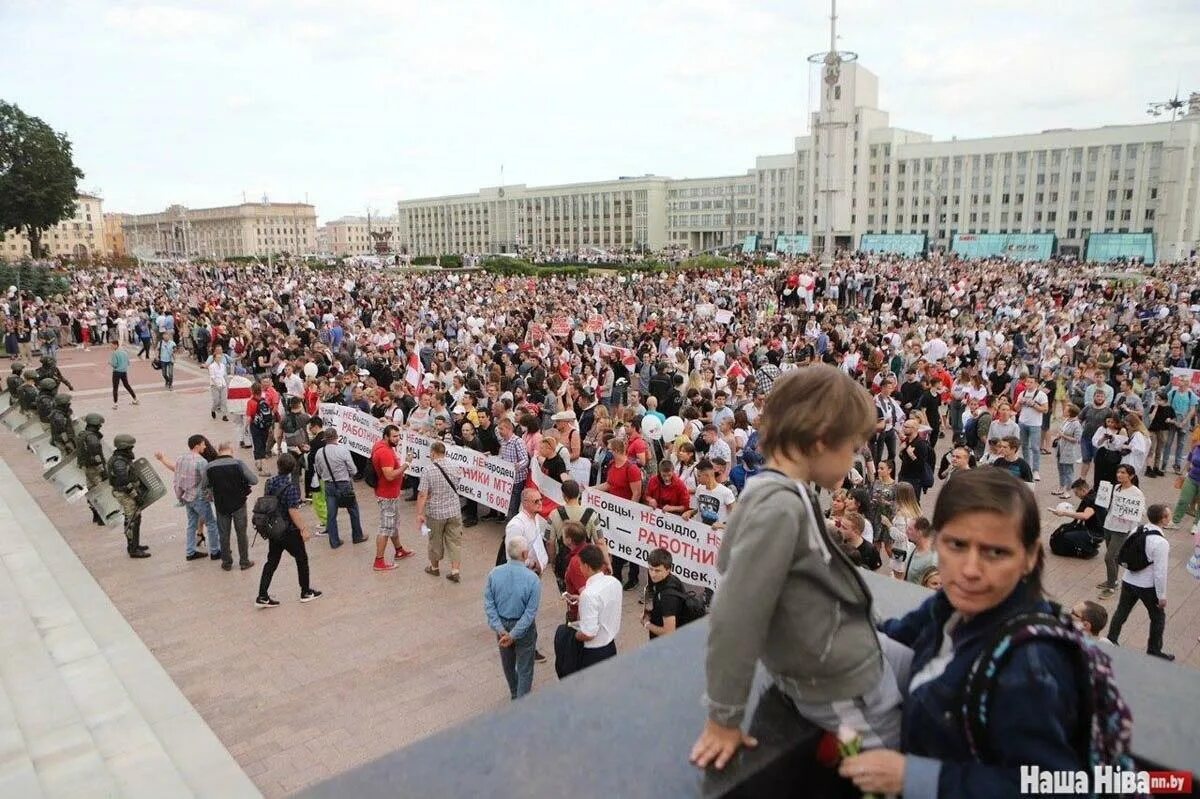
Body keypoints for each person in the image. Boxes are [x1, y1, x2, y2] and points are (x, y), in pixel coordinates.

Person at [841, 468, 1102, 797]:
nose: (970, 570)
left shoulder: (1030, 666)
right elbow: (895, 633)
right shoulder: (950, 606)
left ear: (1030, 557)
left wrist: (916, 777)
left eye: (996, 552)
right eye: (956, 544)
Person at [693, 365, 902, 772]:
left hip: (842, 659)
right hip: (839, 687)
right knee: (880, 769)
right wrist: (724, 717)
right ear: (823, 440)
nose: (856, 458)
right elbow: (736, 617)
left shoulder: (778, 490)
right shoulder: (779, 505)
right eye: (853, 447)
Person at [1106, 503, 1173, 660]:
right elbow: (1160, 573)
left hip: (1129, 580)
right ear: (1163, 519)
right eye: (1168, 515)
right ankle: (1154, 650)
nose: (1169, 517)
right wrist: (1161, 596)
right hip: (1148, 586)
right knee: (1158, 617)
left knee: (1121, 611)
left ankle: (1111, 639)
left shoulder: (1138, 529)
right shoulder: (1161, 543)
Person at [256, 453, 321, 607]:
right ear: (293, 468)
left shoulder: (269, 482)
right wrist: (304, 529)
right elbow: (293, 511)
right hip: (289, 530)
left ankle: (262, 595)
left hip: (274, 529)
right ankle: (305, 591)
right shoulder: (291, 487)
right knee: (301, 559)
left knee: (271, 562)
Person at [483, 537, 541, 700]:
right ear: (524, 554)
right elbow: (530, 612)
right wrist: (514, 634)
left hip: (502, 624)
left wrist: (501, 629)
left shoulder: (494, 574)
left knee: (508, 664)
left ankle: (515, 693)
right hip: (523, 627)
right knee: (525, 667)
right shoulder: (532, 579)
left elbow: (489, 604)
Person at [155, 435, 220, 562]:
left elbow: (177, 474)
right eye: (203, 444)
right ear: (197, 446)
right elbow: (207, 480)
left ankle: (190, 552)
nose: (205, 446)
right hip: (199, 497)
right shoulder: (201, 461)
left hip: (186, 497)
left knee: (191, 524)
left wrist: (162, 459)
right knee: (211, 523)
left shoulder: (181, 458)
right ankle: (215, 551)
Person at [594, 437, 643, 590]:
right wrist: (591, 489)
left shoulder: (631, 469)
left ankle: (633, 577)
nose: (608, 452)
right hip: (614, 513)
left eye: (610, 449)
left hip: (626, 514)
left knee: (628, 545)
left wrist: (628, 512)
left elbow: (636, 493)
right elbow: (609, 484)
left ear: (616, 450)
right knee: (616, 544)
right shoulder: (613, 465)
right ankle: (616, 576)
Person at [205, 441, 257, 571]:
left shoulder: (209, 466)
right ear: (230, 450)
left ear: (219, 450)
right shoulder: (238, 464)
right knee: (241, 533)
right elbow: (254, 480)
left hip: (221, 504)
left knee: (223, 534)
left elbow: (204, 485)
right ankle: (244, 562)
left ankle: (227, 562)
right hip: (239, 503)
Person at [416, 440, 464, 582]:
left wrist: (419, 513)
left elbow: (423, 494)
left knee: (435, 540)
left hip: (436, 512)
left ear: (433, 453)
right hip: (454, 510)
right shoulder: (454, 466)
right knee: (455, 541)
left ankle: (434, 567)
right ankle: (455, 570)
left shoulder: (428, 470)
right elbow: (457, 484)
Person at [371, 424, 416, 571]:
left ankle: (399, 550)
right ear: (386, 437)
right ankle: (379, 561)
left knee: (393, 524)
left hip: (389, 494)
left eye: (398, 436)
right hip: (387, 496)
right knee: (385, 528)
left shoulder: (381, 446)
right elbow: (389, 475)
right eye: (394, 436)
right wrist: (406, 465)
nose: (397, 439)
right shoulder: (385, 453)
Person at [1097, 465, 1145, 600]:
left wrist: (1132, 529)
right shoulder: (1116, 488)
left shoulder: (1136, 493)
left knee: (1109, 557)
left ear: (1131, 476)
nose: (1119, 475)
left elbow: (1140, 512)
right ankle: (1113, 580)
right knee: (1114, 557)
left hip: (1121, 530)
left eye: (1123, 473)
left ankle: (1111, 586)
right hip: (1109, 526)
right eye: (1118, 472)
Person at [313, 428, 366, 548]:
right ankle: (357, 536)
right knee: (353, 510)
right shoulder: (342, 450)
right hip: (344, 484)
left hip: (329, 485)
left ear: (325, 439)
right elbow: (353, 469)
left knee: (331, 515)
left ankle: (334, 541)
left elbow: (319, 471)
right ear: (336, 437)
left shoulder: (319, 452)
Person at [574, 543, 622, 669]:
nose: (579, 568)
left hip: (594, 653)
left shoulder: (588, 594)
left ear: (586, 566)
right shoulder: (615, 582)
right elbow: (604, 603)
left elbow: (588, 634)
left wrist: (574, 634)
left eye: (580, 565)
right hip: (611, 646)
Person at [107, 433, 150, 559]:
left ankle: (135, 545)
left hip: (127, 493)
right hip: (125, 494)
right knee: (131, 521)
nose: (132, 449)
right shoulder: (119, 462)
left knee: (136, 518)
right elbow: (124, 482)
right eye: (130, 447)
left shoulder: (122, 459)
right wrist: (136, 496)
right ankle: (133, 549)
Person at [643, 548, 686, 639]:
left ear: (668, 569)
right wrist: (647, 612)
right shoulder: (666, 578)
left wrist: (646, 624)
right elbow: (650, 591)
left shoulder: (668, 597)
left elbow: (669, 632)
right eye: (651, 569)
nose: (653, 574)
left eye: (657, 570)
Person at [684, 458, 736, 529]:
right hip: (700, 531)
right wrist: (690, 513)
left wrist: (722, 526)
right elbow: (699, 509)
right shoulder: (699, 488)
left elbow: (737, 516)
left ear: (707, 476)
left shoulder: (726, 492)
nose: (697, 479)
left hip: (716, 535)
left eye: (699, 476)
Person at [1051, 404, 1083, 497]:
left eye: (1066, 410)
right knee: (1061, 469)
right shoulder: (1066, 420)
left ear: (1070, 412)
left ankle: (1068, 490)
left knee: (1069, 471)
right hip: (1060, 449)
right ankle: (1061, 487)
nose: (1064, 410)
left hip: (1069, 451)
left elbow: (1077, 439)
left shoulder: (1076, 424)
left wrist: (1063, 436)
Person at [108, 338, 138, 410]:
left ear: (116, 345)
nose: (111, 347)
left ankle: (115, 404)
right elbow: (128, 363)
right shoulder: (124, 352)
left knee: (115, 388)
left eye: (112, 345)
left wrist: (110, 363)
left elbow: (115, 364)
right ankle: (135, 399)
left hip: (116, 372)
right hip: (124, 371)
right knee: (127, 385)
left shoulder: (114, 353)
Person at [206, 344, 231, 421]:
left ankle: (224, 415)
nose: (219, 358)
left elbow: (224, 375)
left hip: (223, 385)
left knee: (224, 401)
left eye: (220, 357)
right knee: (216, 401)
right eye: (217, 357)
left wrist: (226, 383)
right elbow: (212, 377)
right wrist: (217, 384)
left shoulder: (223, 365)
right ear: (214, 358)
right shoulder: (212, 366)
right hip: (215, 385)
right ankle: (213, 410)